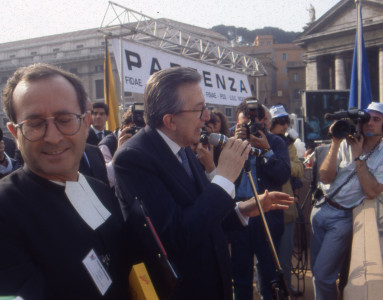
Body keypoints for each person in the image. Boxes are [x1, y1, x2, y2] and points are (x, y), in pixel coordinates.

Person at [113, 67, 293, 300]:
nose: (207, 117)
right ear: (170, 120)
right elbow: (178, 236)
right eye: (199, 110)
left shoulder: (183, 146)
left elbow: (203, 216)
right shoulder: (133, 159)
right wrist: (224, 178)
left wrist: (244, 209)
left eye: (205, 107)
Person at [0, 63, 129, 300]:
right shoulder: (5, 208)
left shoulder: (99, 188)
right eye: (35, 124)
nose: (53, 137)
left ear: (85, 122)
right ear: (15, 133)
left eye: (64, 119)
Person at [311, 102, 383, 300]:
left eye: (376, 120)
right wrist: (335, 143)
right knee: (316, 271)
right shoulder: (344, 144)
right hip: (320, 209)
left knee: (323, 276)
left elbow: (371, 191)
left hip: (343, 218)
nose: (369, 124)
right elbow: (325, 177)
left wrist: (358, 156)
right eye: (366, 119)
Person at [229, 99, 291, 300]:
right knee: (241, 278)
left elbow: (282, 175)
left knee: (269, 279)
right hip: (240, 214)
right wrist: (235, 146)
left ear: (264, 122)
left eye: (254, 122)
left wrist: (266, 150)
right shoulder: (231, 143)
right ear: (237, 125)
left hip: (267, 217)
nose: (249, 128)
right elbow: (223, 178)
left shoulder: (275, 142)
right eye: (243, 124)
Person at [269, 105, 304, 297]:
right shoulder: (263, 142)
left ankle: (286, 289)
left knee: (285, 252)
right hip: (266, 206)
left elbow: (299, 169)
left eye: (286, 122)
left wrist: (281, 162)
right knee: (265, 255)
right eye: (280, 122)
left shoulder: (290, 144)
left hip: (285, 206)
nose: (284, 126)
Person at [99, 108, 136, 187]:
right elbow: (105, 178)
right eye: (135, 128)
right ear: (125, 127)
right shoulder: (106, 146)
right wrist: (119, 153)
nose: (139, 132)